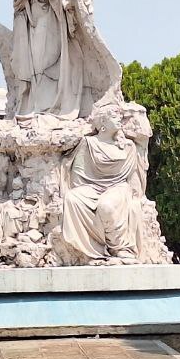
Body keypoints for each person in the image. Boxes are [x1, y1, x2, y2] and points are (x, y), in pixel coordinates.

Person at [59, 100, 144, 262]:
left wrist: (136, 198)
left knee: (106, 205)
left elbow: (133, 177)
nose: (119, 119)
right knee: (72, 198)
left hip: (118, 187)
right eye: (114, 116)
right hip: (91, 187)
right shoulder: (89, 143)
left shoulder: (127, 146)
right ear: (103, 121)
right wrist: (84, 190)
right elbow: (79, 173)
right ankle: (90, 250)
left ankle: (119, 248)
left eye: (120, 116)